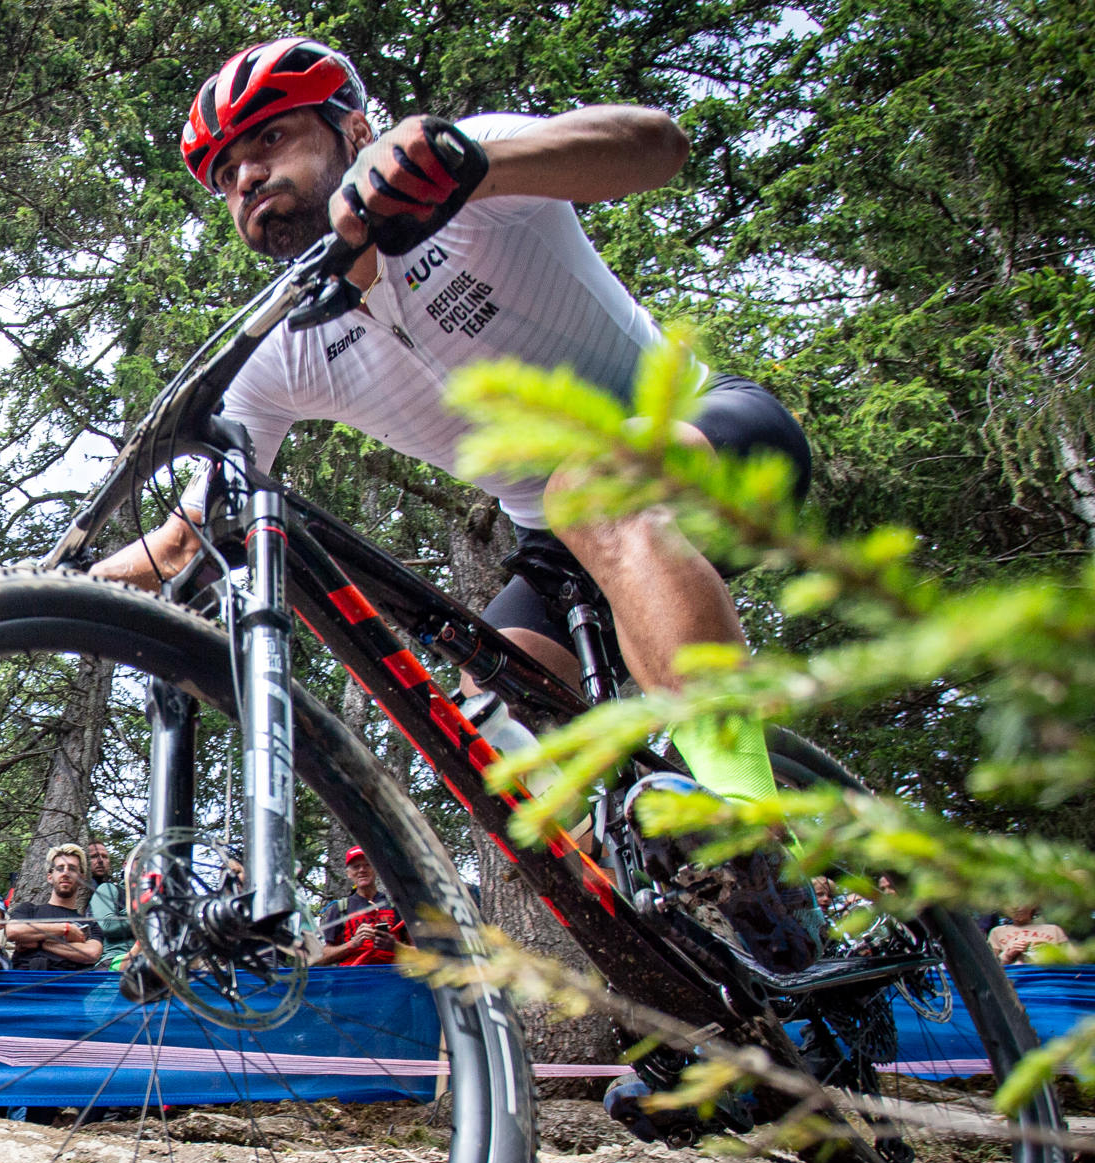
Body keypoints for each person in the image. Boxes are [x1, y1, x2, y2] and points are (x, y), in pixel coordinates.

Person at [94, 37, 812, 834]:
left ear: (355, 131)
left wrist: (478, 164)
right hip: (561, 546)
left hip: (709, 433)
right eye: (225, 175)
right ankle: (649, 890)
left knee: (592, 490)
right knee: (487, 726)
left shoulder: (464, 171)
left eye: (270, 138)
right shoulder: (286, 346)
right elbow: (184, 538)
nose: (248, 178)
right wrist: (48, 581)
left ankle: (750, 824)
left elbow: (657, 146)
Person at [4, 843, 104, 971]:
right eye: (60, 868)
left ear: (82, 878)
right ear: (50, 876)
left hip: (69, 982)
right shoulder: (29, 910)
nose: (66, 873)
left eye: (72, 869)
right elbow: (13, 931)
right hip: (25, 980)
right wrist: (66, 929)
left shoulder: (90, 925)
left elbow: (91, 953)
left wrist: (40, 942)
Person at [315, 846, 408, 965]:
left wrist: (395, 946)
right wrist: (353, 944)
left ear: (376, 869)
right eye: (356, 866)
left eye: (367, 865)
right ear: (348, 873)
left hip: (392, 974)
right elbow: (321, 958)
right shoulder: (341, 908)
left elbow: (422, 952)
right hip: (354, 975)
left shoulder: (395, 906)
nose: (362, 870)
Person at [83, 839, 135, 964]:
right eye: (94, 856)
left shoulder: (114, 888)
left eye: (105, 857)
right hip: (111, 958)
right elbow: (108, 924)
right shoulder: (107, 889)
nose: (100, 860)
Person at [989, 905, 1068, 965]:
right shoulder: (997, 932)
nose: (1016, 907)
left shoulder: (1054, 930)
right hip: (1014, 978)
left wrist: (1049, 950)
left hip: (1049, 978)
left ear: (1033, 905)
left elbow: (1071, 962)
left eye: (1021, 902)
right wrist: (1009, 954)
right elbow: (990, 968)